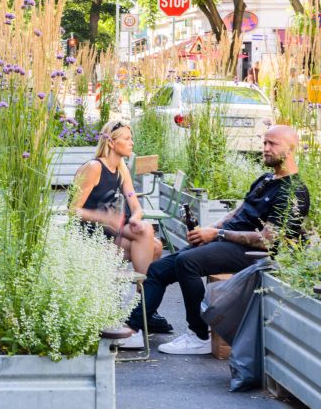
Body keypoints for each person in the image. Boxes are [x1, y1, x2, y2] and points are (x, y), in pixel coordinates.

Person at [120, 125, 310, 353]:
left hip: (254, 254)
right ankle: (134, 328)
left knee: (186, 262)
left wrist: (218, 234)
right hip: (228, 241)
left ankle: (199, 334)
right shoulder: (267, 178)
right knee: (158, 269)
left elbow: (267, 239)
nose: (266, 148)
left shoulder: (293, 192)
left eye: (272, 144)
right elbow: (239, 212)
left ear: (291, 149)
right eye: (264, 143)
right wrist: (209, 230)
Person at [71, 120, 163, 274]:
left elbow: (135, 206)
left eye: (131, 138)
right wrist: (103, 217)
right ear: (111, 143)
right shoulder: (94, 167)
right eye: (127, 139)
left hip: (112, 232)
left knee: (154, 241)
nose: (132, 143)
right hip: (91, 237)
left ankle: (144, 293)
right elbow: (72, 210)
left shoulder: (121, 168)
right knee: (152, 243)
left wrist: (135, 217)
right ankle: (145, 292)